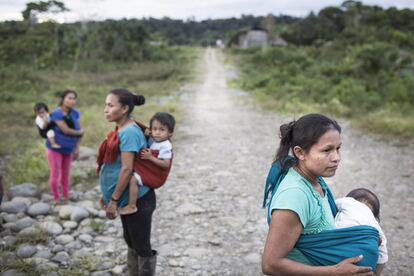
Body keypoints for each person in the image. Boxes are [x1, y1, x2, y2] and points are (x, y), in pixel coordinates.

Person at [262, 113, 374, 275]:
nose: (336, 158)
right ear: (300, 153)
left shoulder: (315, 179)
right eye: (327, 150)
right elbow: (270, 264)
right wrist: (335, 271)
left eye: (338, 148)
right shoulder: (294, 196)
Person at [98, 88, 157, 276]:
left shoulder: (129, 132)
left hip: (138, 200)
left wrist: (113, 200)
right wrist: (106, 194)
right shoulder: (121, 128)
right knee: (131, 241)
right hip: (125, 197)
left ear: (124, 108)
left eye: (110, 105)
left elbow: (126, 169)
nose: (105, 110)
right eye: (106, 105)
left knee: (141, 245)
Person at [119, 112, 175, 215]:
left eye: (162, 130)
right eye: (154, 129)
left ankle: (132, 206)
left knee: (132, 179)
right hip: (148, 168)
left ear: (170, 133)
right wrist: (147, 136)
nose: (157, 132)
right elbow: (149, 145)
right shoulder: (155, 140)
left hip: (156, 174)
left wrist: (150, 158)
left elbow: (166, 164)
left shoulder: (166, 145)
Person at [335, 188, 388, 275]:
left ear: (349, 198)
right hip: (364, 252)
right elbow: (383, 257)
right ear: (375, 215)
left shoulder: (347, 202)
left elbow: (331, 205)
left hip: (340, 239)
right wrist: (376, 274)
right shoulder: (376, 225)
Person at [46, 90, 83, 206]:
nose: (72, 101)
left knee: (66, 173)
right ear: (63, 99)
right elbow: (66, 130)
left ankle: (65, 196)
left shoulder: (75, 113)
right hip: (55, 148)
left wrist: (77, 148)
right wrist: (80, 132)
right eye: (69, 98)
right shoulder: (56, 113)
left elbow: (80, 133)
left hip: (69, 149)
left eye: (74, 98)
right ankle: (56, 198)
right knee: (55, 173)